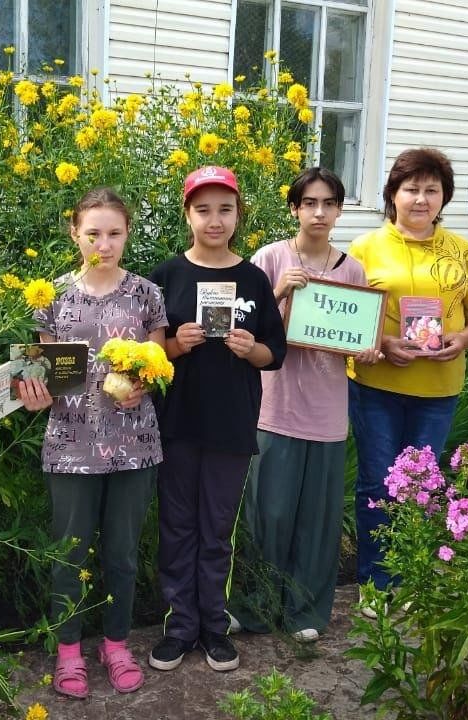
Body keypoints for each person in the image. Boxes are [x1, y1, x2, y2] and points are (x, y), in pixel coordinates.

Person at [17, 188, 168, 698]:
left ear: (128, 233)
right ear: (74, 234)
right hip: (70, 444)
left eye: (114, 233)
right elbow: (33, 373)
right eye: (92, 234)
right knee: (70, 553)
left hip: (135, 442)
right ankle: (68, 651)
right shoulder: (52, 295)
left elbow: (161, 363)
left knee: (123, 554)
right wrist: (32, 393)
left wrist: (147, 381)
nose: (103, 244)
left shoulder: (147, 294)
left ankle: (117, 643)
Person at [147, 166, 286, 672]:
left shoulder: (252, 278)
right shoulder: (165, 277)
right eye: (203, 209)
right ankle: (179, 626)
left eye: (224, 209)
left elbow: (278, 352)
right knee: (177, 526)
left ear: (237, 214)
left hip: (231, 426)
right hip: (177, 423)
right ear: (187, 214)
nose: (214, 220)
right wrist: (171, 346)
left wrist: (252, 351)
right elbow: (143, 353)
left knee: (217, 530)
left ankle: (214, 625)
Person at [231, 167, 377, 642]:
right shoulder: (270, 258)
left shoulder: (350, 270)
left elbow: (354, 337)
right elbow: (242, 327)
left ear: (339, 210)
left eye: (329, 203)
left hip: (328, 410)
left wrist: (366, 348)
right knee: (267, 514)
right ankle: (254, 608)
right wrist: (278, 291)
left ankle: (306, 614)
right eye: (309, 203)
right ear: (294, 208)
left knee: (318, 520)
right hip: (274, 407)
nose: (319, 212)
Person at [349, 148, 468, 608]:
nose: (421, 199)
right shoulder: (364, 248)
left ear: (443, 198)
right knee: (376, 484)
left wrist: (463, 340)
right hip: (376, 386)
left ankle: (410, 576)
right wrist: (383, 343)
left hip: (438, 388)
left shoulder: (461, 251)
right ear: (393, 194)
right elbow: (350, 318)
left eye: (432, 190)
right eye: (411, 189)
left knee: (422, 487)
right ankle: (375, 582)